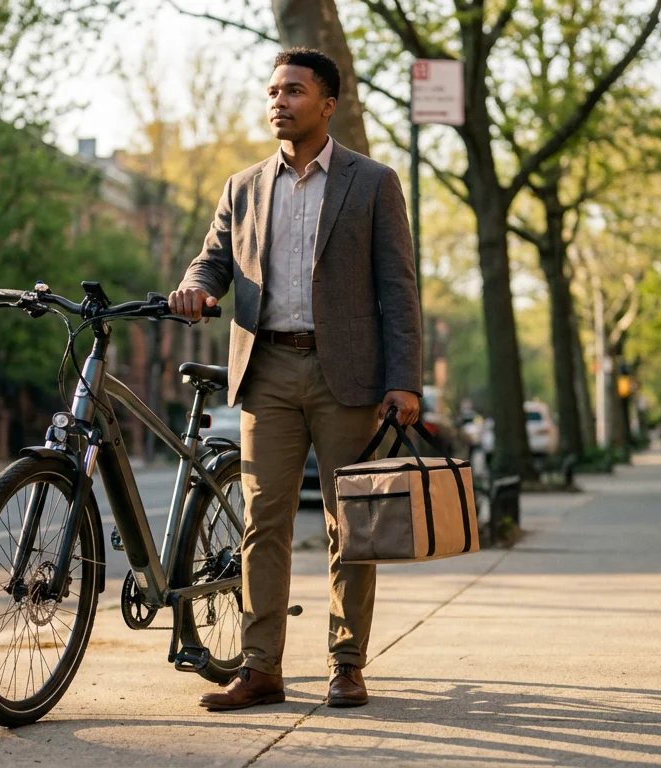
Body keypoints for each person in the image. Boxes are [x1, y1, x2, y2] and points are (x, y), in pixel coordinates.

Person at [168, 47, 421, 711]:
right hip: (267, 369)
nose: (278, 100)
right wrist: (194, 288)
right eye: (274, 90)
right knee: (263, 522)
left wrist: (406, 381)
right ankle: (260, 668)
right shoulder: (243, 186)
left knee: (349, 524)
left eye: (295, 91)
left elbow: (398, 289)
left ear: (328, 104)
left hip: (350, 376)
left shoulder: (373, 183)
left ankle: (346, 663)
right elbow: (212, 260)